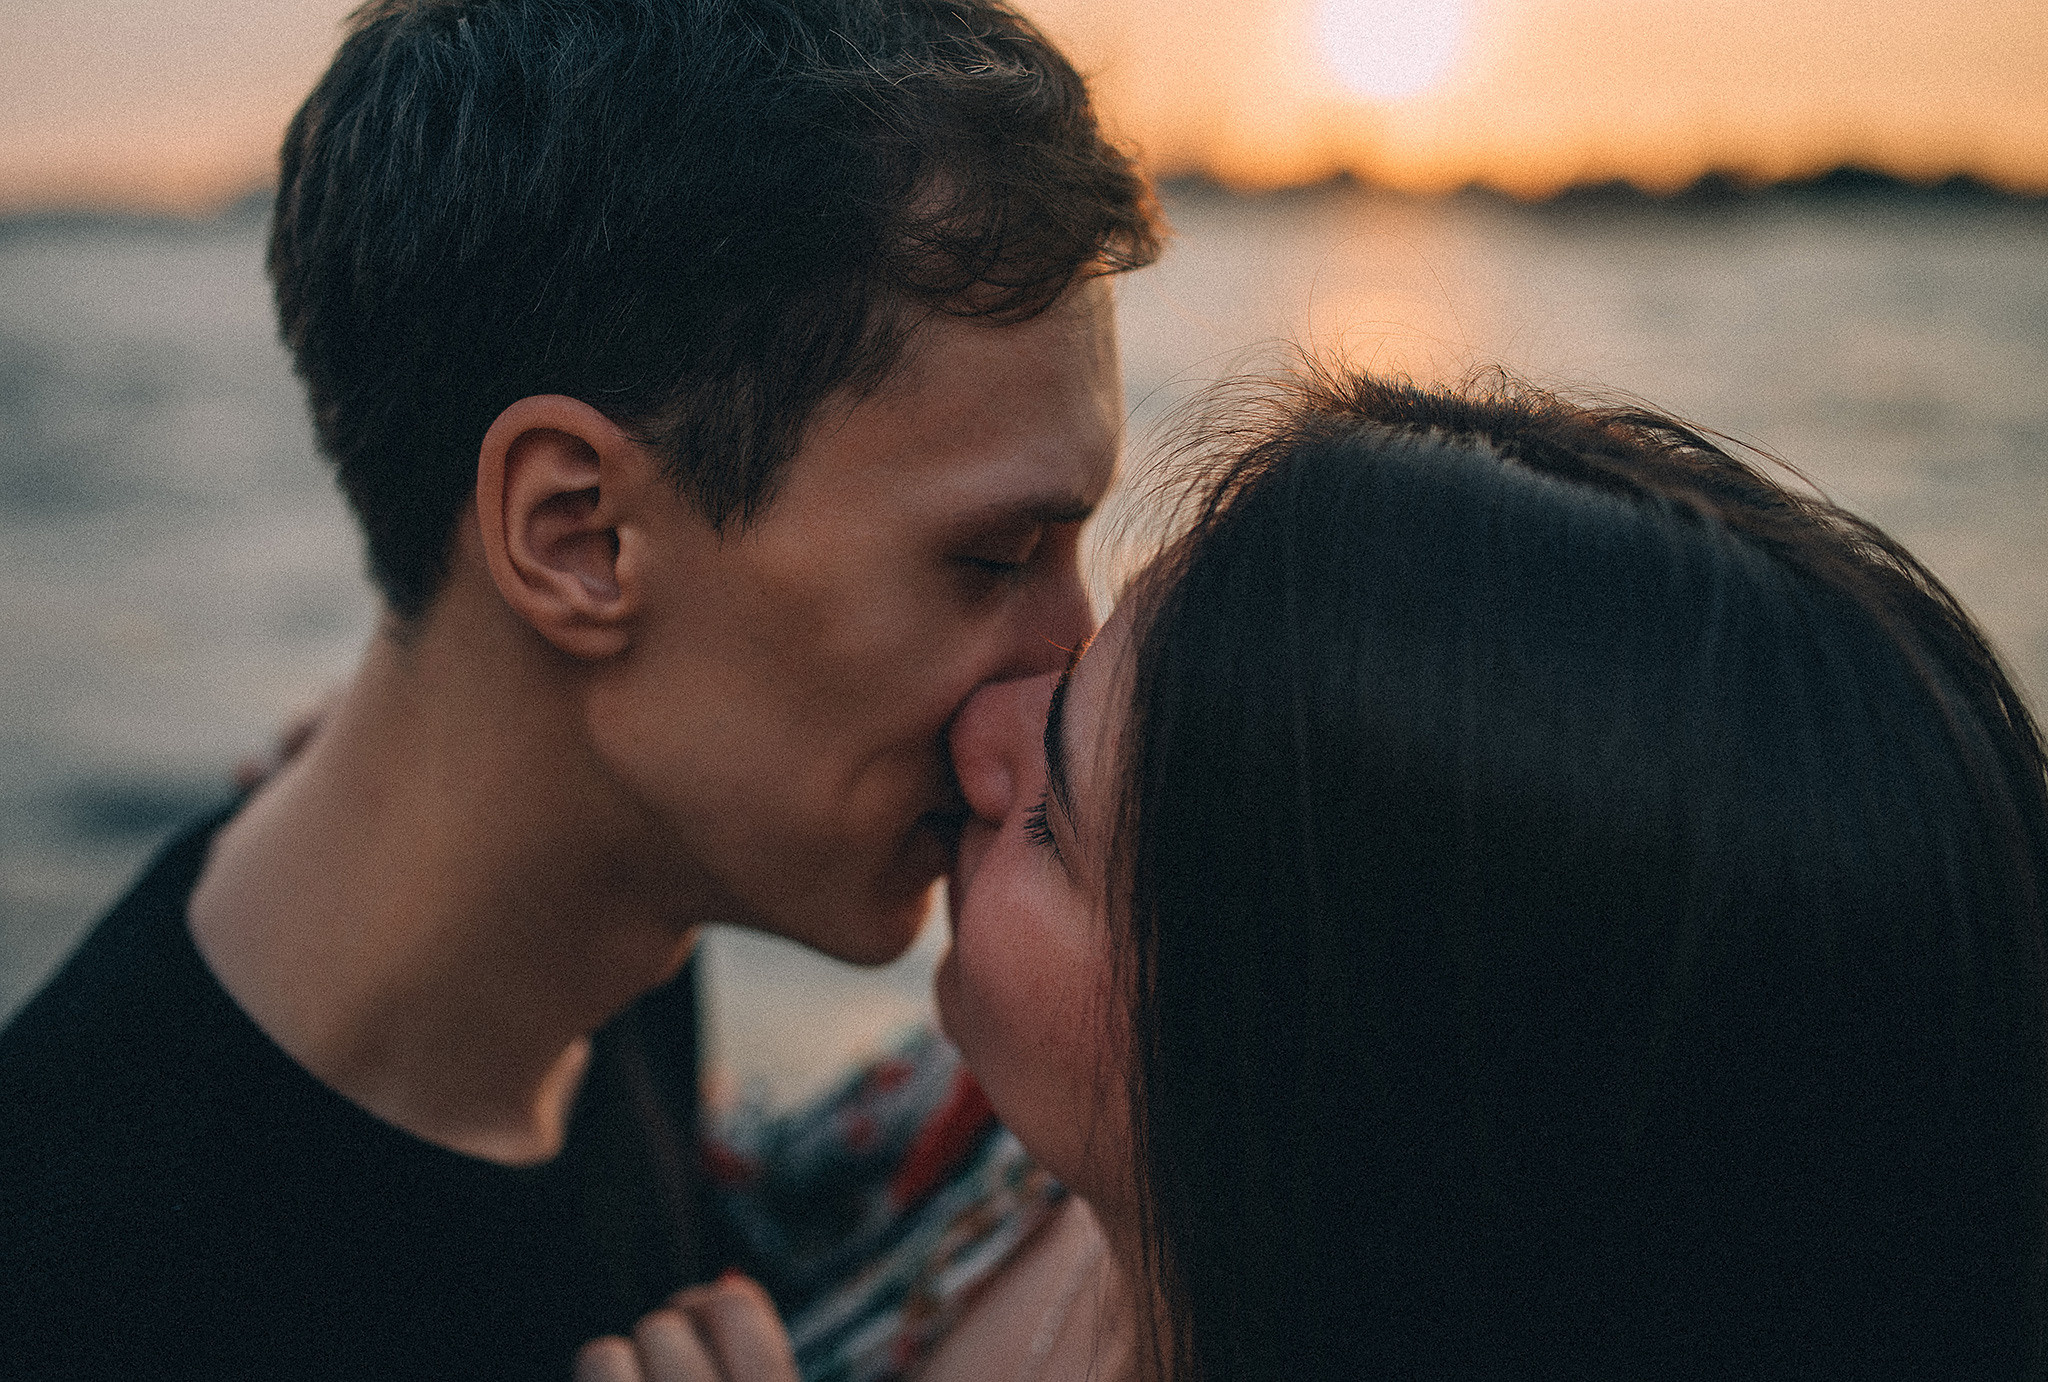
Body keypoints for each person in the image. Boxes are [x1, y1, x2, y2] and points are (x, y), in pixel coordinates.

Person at [0, 0, 1160, 1376]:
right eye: (992, 558)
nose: (1067, 669)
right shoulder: (95, 1287)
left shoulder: (615, 921)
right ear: (578, 538)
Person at [592, 366, 2048, 1380]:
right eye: (1086, 666)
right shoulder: (1004, 1149)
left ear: (1316, 1099)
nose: (981, 731)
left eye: (1056, 821)